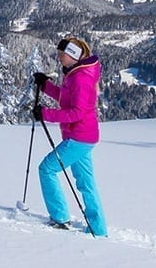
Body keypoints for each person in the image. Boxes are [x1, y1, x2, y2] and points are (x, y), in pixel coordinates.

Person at [32, 37, 107, 236]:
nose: (58, 58)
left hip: (78, 137)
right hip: (83, 137)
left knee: (46, 169)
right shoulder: (76, 74)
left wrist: (46, 114)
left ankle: (60, 218)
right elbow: (66, 99)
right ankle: (98, 229)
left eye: (61, 54)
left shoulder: (81, 78)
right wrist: (46, 85)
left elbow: (77, 113)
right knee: (86, 183)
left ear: (73, 55)